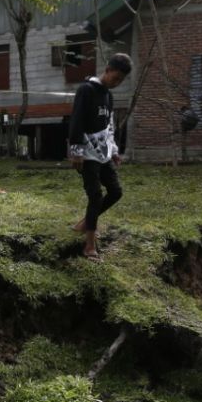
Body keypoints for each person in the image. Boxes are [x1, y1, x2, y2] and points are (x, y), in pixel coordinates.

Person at [69, 52, 132, 262]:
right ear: (107, 70)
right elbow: (76, 120)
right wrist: (76, 151)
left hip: (103, 153)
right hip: (86, 154)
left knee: (115, 191)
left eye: (121, 81)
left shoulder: (109, 96)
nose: (116, 83)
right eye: (115, 78)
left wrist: (113, 151)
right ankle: (89, 245)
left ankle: (86, 222)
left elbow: (109, 127)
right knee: (95, 195)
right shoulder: (86, 90)